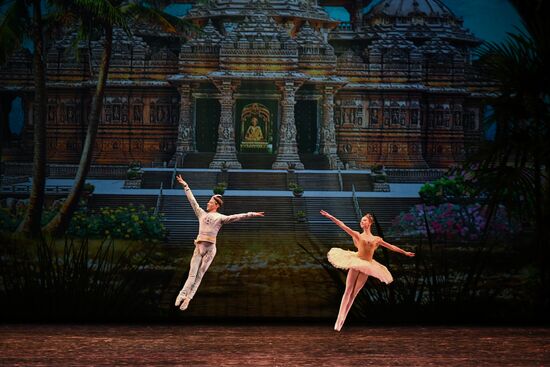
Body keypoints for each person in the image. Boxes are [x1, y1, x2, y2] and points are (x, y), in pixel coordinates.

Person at [174, 174, 265, 311]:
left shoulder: (221, 218)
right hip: (199, 247)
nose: (207, 203)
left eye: (210, 202)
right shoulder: (201, 214)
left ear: (216, 205)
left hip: (210, 250)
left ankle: (188, 299)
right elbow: (192, 201)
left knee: (200, 275)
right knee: (192, 274)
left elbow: (237, 217)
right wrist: (185, 185)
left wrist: (252, 214)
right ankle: (182, 295)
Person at [320, 210, 415, 331]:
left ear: (369, 223)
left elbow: (391, 246)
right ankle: (339, 319)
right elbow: (342, 225)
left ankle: (343, 319)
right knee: (348, 290)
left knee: (354, 293)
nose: (362, 222)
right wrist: (330, 216)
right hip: (356, 261)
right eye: (361, 220)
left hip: (368, 265)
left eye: (364, 220)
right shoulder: (357, 235)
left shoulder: (376, 239)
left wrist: (404, 252)